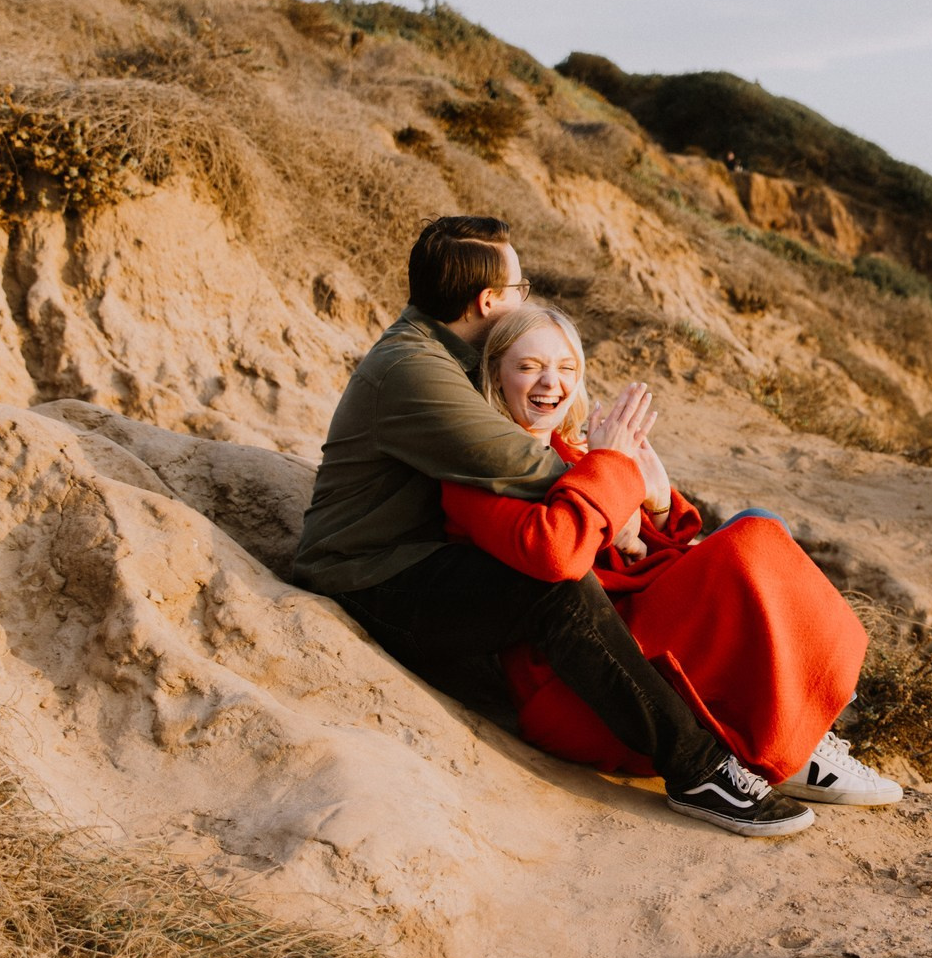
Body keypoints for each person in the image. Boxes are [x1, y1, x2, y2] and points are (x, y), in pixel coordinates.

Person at [291, 215, 814, 838]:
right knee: (555, 589)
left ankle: (774, 731)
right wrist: (617, 481)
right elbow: (525, 462)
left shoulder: (446, 355)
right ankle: (699, 771)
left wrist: (636, 496)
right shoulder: (412, 368)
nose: (526, 299)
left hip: (422, 556)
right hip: (369, 575)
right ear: (489, 300)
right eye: (521, 288)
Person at [449, 304, 900, 808]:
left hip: (633, 621)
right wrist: (612, 470)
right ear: (494, 374)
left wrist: (659, 507)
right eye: (529, 366)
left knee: (761, 522)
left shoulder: (571, 447)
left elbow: (647, 549)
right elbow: (561, 555)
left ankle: (794, 735)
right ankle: (789, 749)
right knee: (751, 538)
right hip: (583, 679)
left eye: (566, 368)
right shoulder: (477, 467)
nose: (551, 382)